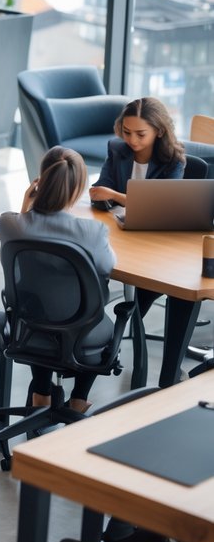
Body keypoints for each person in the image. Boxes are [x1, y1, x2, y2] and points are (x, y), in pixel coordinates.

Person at [0, 147, 116, 413]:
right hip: (83, 335)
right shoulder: (92, 232)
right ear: (77, 189)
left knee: (41, 305)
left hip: (28, 330)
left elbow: (19, 228)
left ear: (40, 181)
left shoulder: (9, 224)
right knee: (89, 310)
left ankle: (41, 394)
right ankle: (78, 400)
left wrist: (27, 206)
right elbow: (108, 266)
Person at [90, 97, 196, 387]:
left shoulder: (173, 160)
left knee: (156, 290)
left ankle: (163, 373)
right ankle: (102, 343)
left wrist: (118, 196)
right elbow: (101, 189)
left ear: (158, 131)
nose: (132, 140)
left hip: (158, 244)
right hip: (121, 235)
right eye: (127, 132)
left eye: (140, 134)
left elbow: (162, 205)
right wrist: (101, 196)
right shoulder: (117, 149)